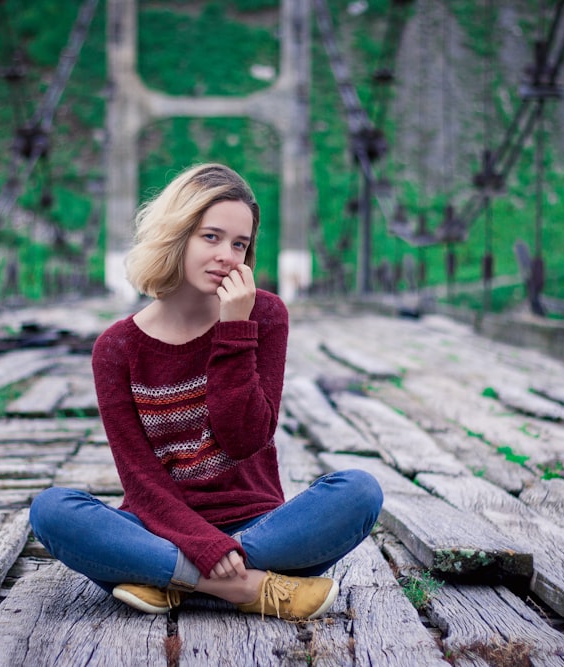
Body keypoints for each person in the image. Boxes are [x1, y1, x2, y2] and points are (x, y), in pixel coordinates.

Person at [30, 163, 382, 621]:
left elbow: (244, 438)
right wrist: (200, 544)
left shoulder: (264, 315)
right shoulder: (116, 348)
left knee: (359, 490)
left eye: (240, 244)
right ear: (176, 235)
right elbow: (140, 478)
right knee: (52, 510)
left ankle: (165, 579)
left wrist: (235, 329)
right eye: (211, 237)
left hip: (258, 527)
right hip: (160, 527)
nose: (228, 256)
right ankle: (248, 588)